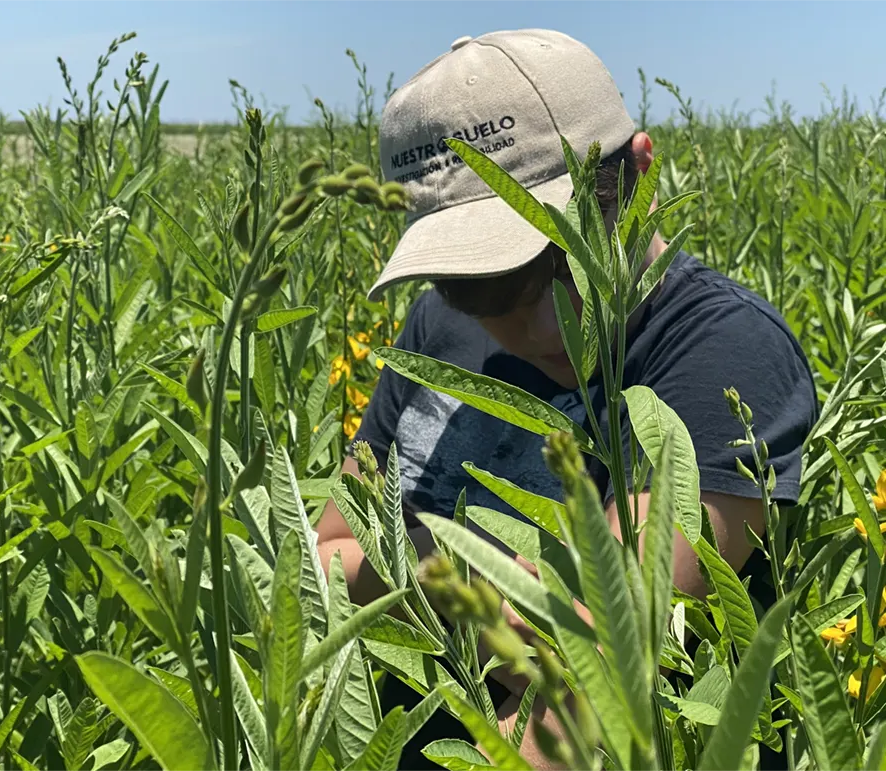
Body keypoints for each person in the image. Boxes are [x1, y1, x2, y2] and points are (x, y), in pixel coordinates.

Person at [313, 29, 817, 770]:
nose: (541, 325)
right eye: (484, 289)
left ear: (640, 174)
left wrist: (414, 565)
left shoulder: (725, 355)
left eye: (563, 262)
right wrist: (512, 590)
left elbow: (596, 670)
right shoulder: (434, 324)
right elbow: (322, 554)